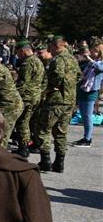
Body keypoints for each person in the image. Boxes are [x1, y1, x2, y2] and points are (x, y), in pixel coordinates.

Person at [37, 35, 82, 173]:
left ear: (57, 46)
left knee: (44, 129)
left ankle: (45, 160)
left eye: (50, 46)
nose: (49, 49)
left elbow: (57, 76)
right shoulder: (73, 59)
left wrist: (51, 88)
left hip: (56, 100)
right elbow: (79, 75)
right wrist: (69, 88)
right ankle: (59, 162)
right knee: (61, 132)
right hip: (69, 100)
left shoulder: (58, 60)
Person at [13, 40, 45, 156]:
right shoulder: (38, 61)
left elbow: (23, 83)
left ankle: (23, 147)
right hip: (36, 95)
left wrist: (14, 94)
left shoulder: (28, 63)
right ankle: (34, 143)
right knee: (31, 121)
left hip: (27, 96)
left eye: (18, 53)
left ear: (23, 51)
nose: (17, 56)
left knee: (22, 122)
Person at [73, 41, 103, 147]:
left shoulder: (100, 63)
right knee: (83, 115)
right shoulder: (90, 62)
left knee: (88, 116)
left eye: (95, 51)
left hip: (91, 91)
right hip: (83, 89)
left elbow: (99, 68)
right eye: (92, 50)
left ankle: (88, 139)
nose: (92, 52)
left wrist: (89, 59)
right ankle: (85, 137)